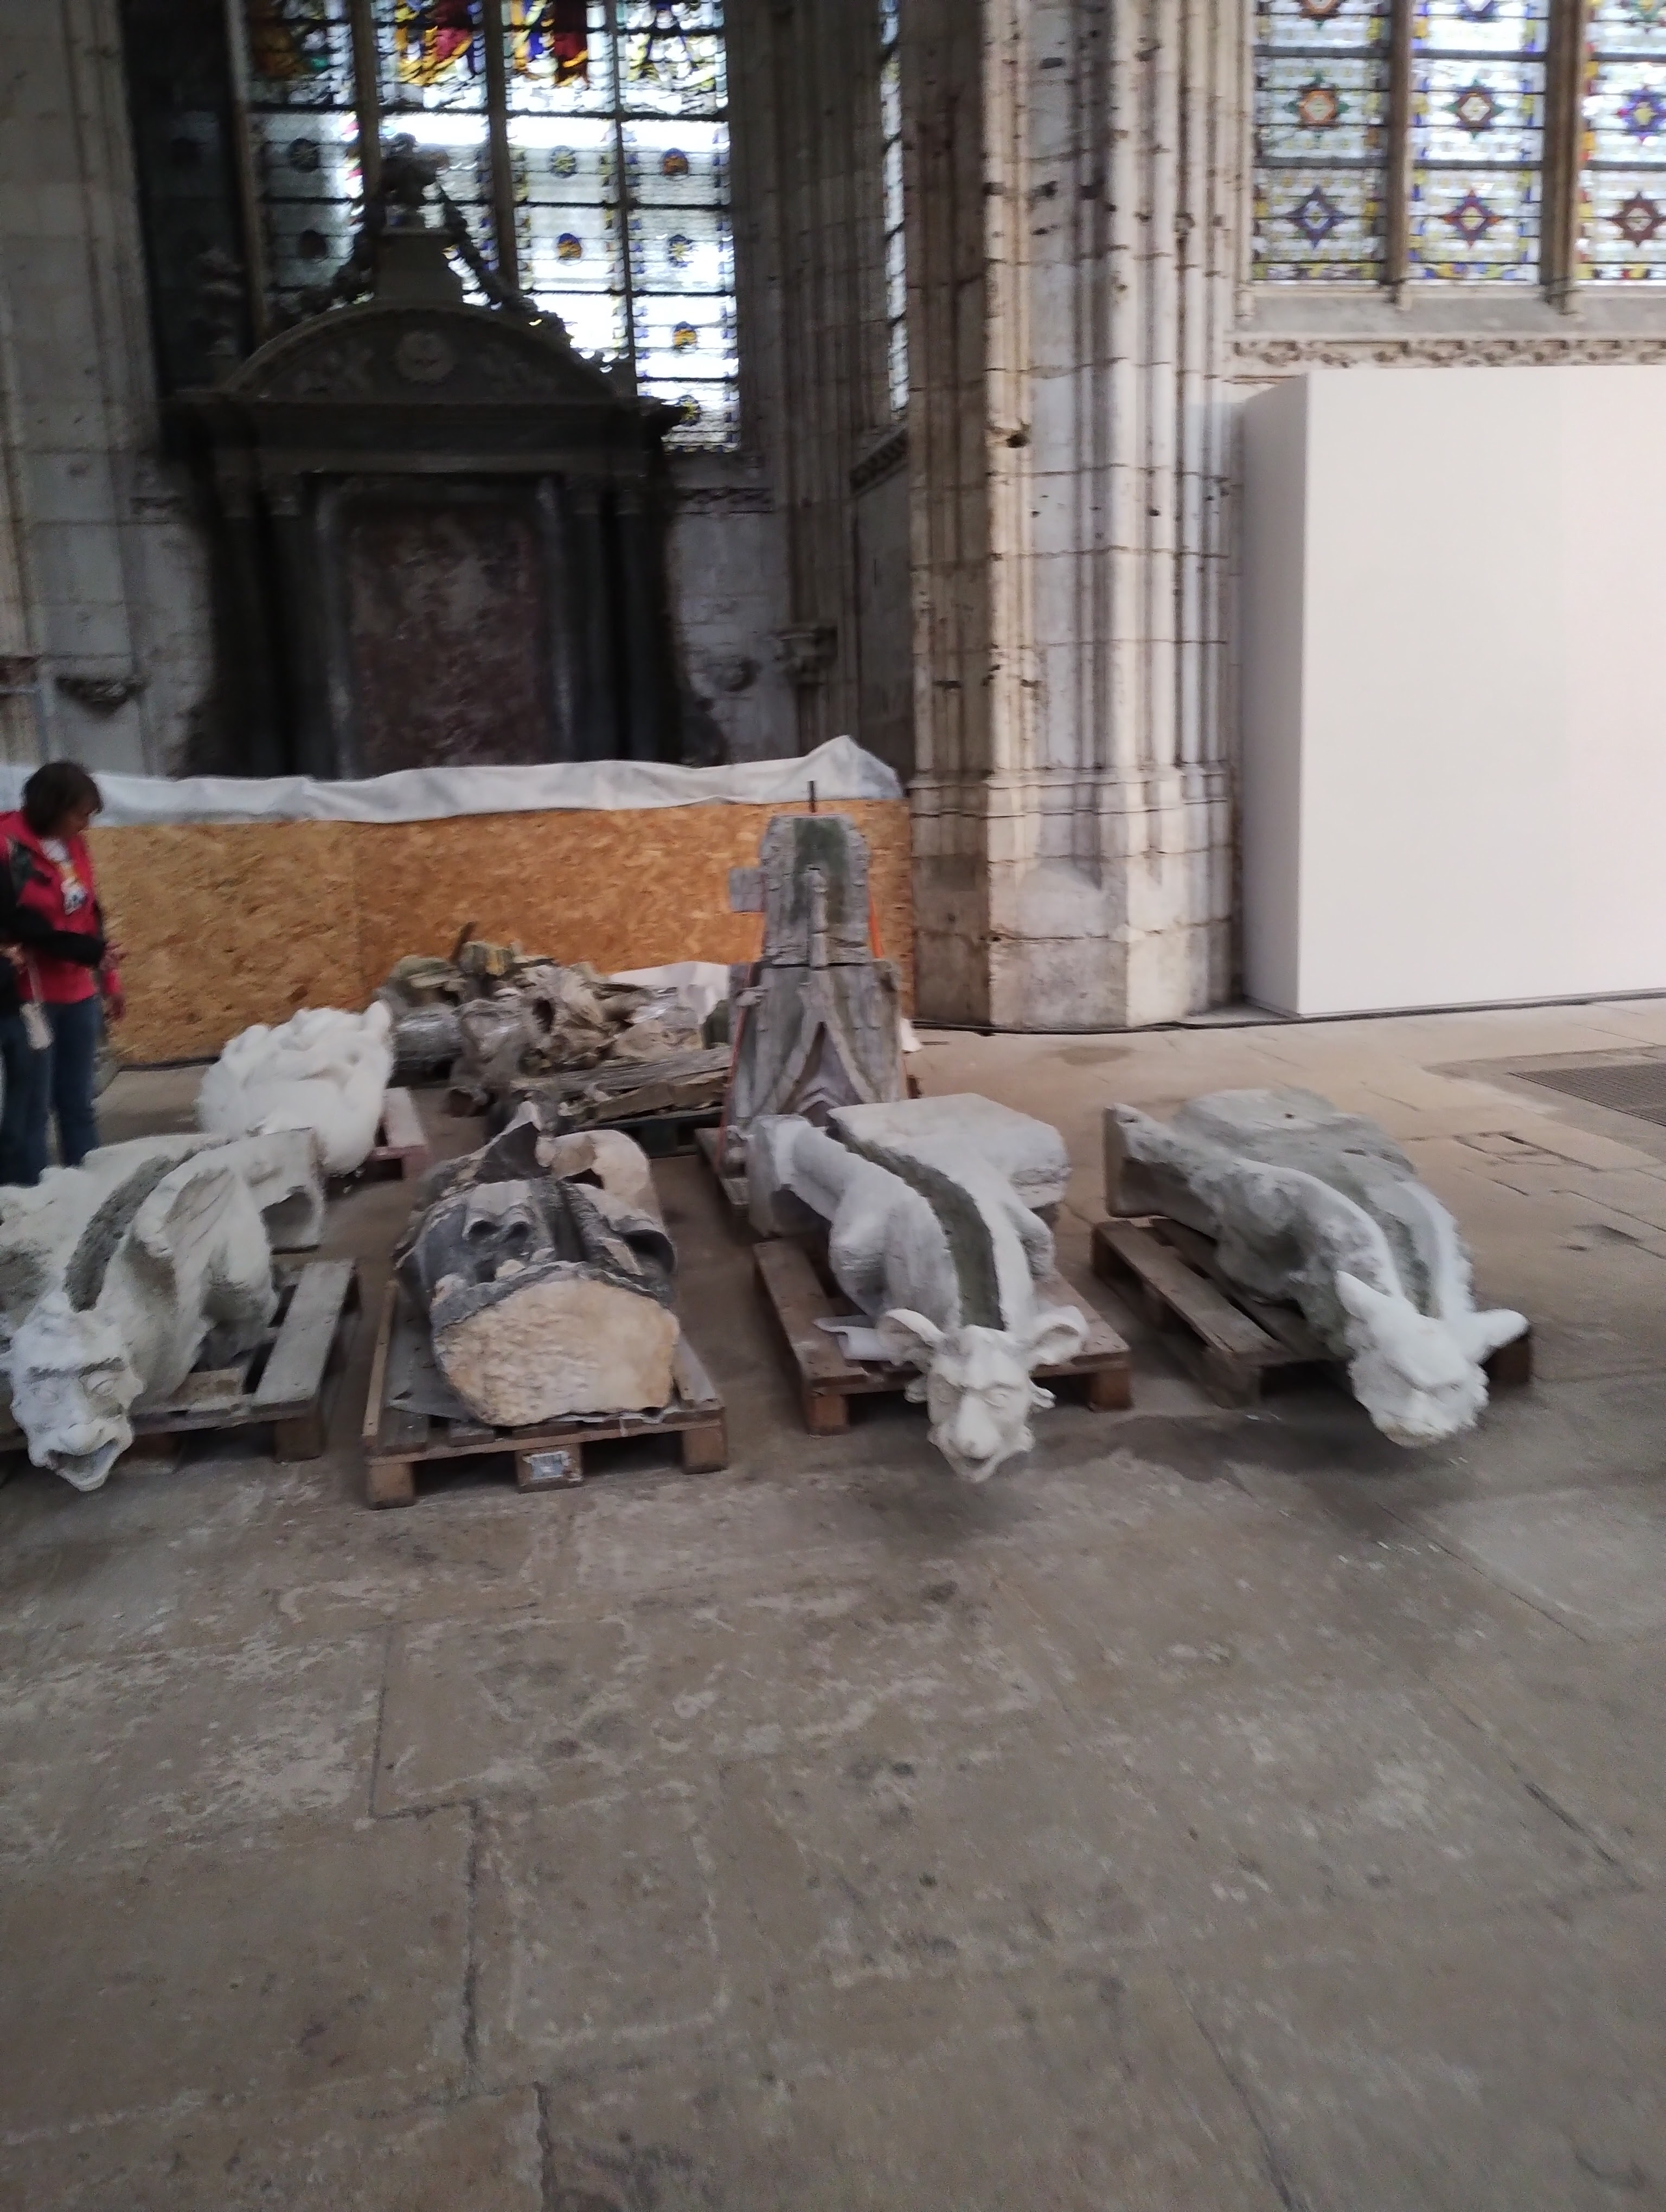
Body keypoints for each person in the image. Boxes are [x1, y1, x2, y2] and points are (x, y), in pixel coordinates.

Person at [0, 761, 124, 1186]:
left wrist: (108, 978)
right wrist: (89, 953)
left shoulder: (74, 847)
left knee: (79, 1104)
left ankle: (90, 1192)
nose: (85, 825)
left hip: (78, 994)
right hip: (31, 998)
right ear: (51, 806)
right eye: (80, 814)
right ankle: (28, 1201)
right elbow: (23, 925)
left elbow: (90, 915)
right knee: (32, 1111)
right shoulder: (8, 846)